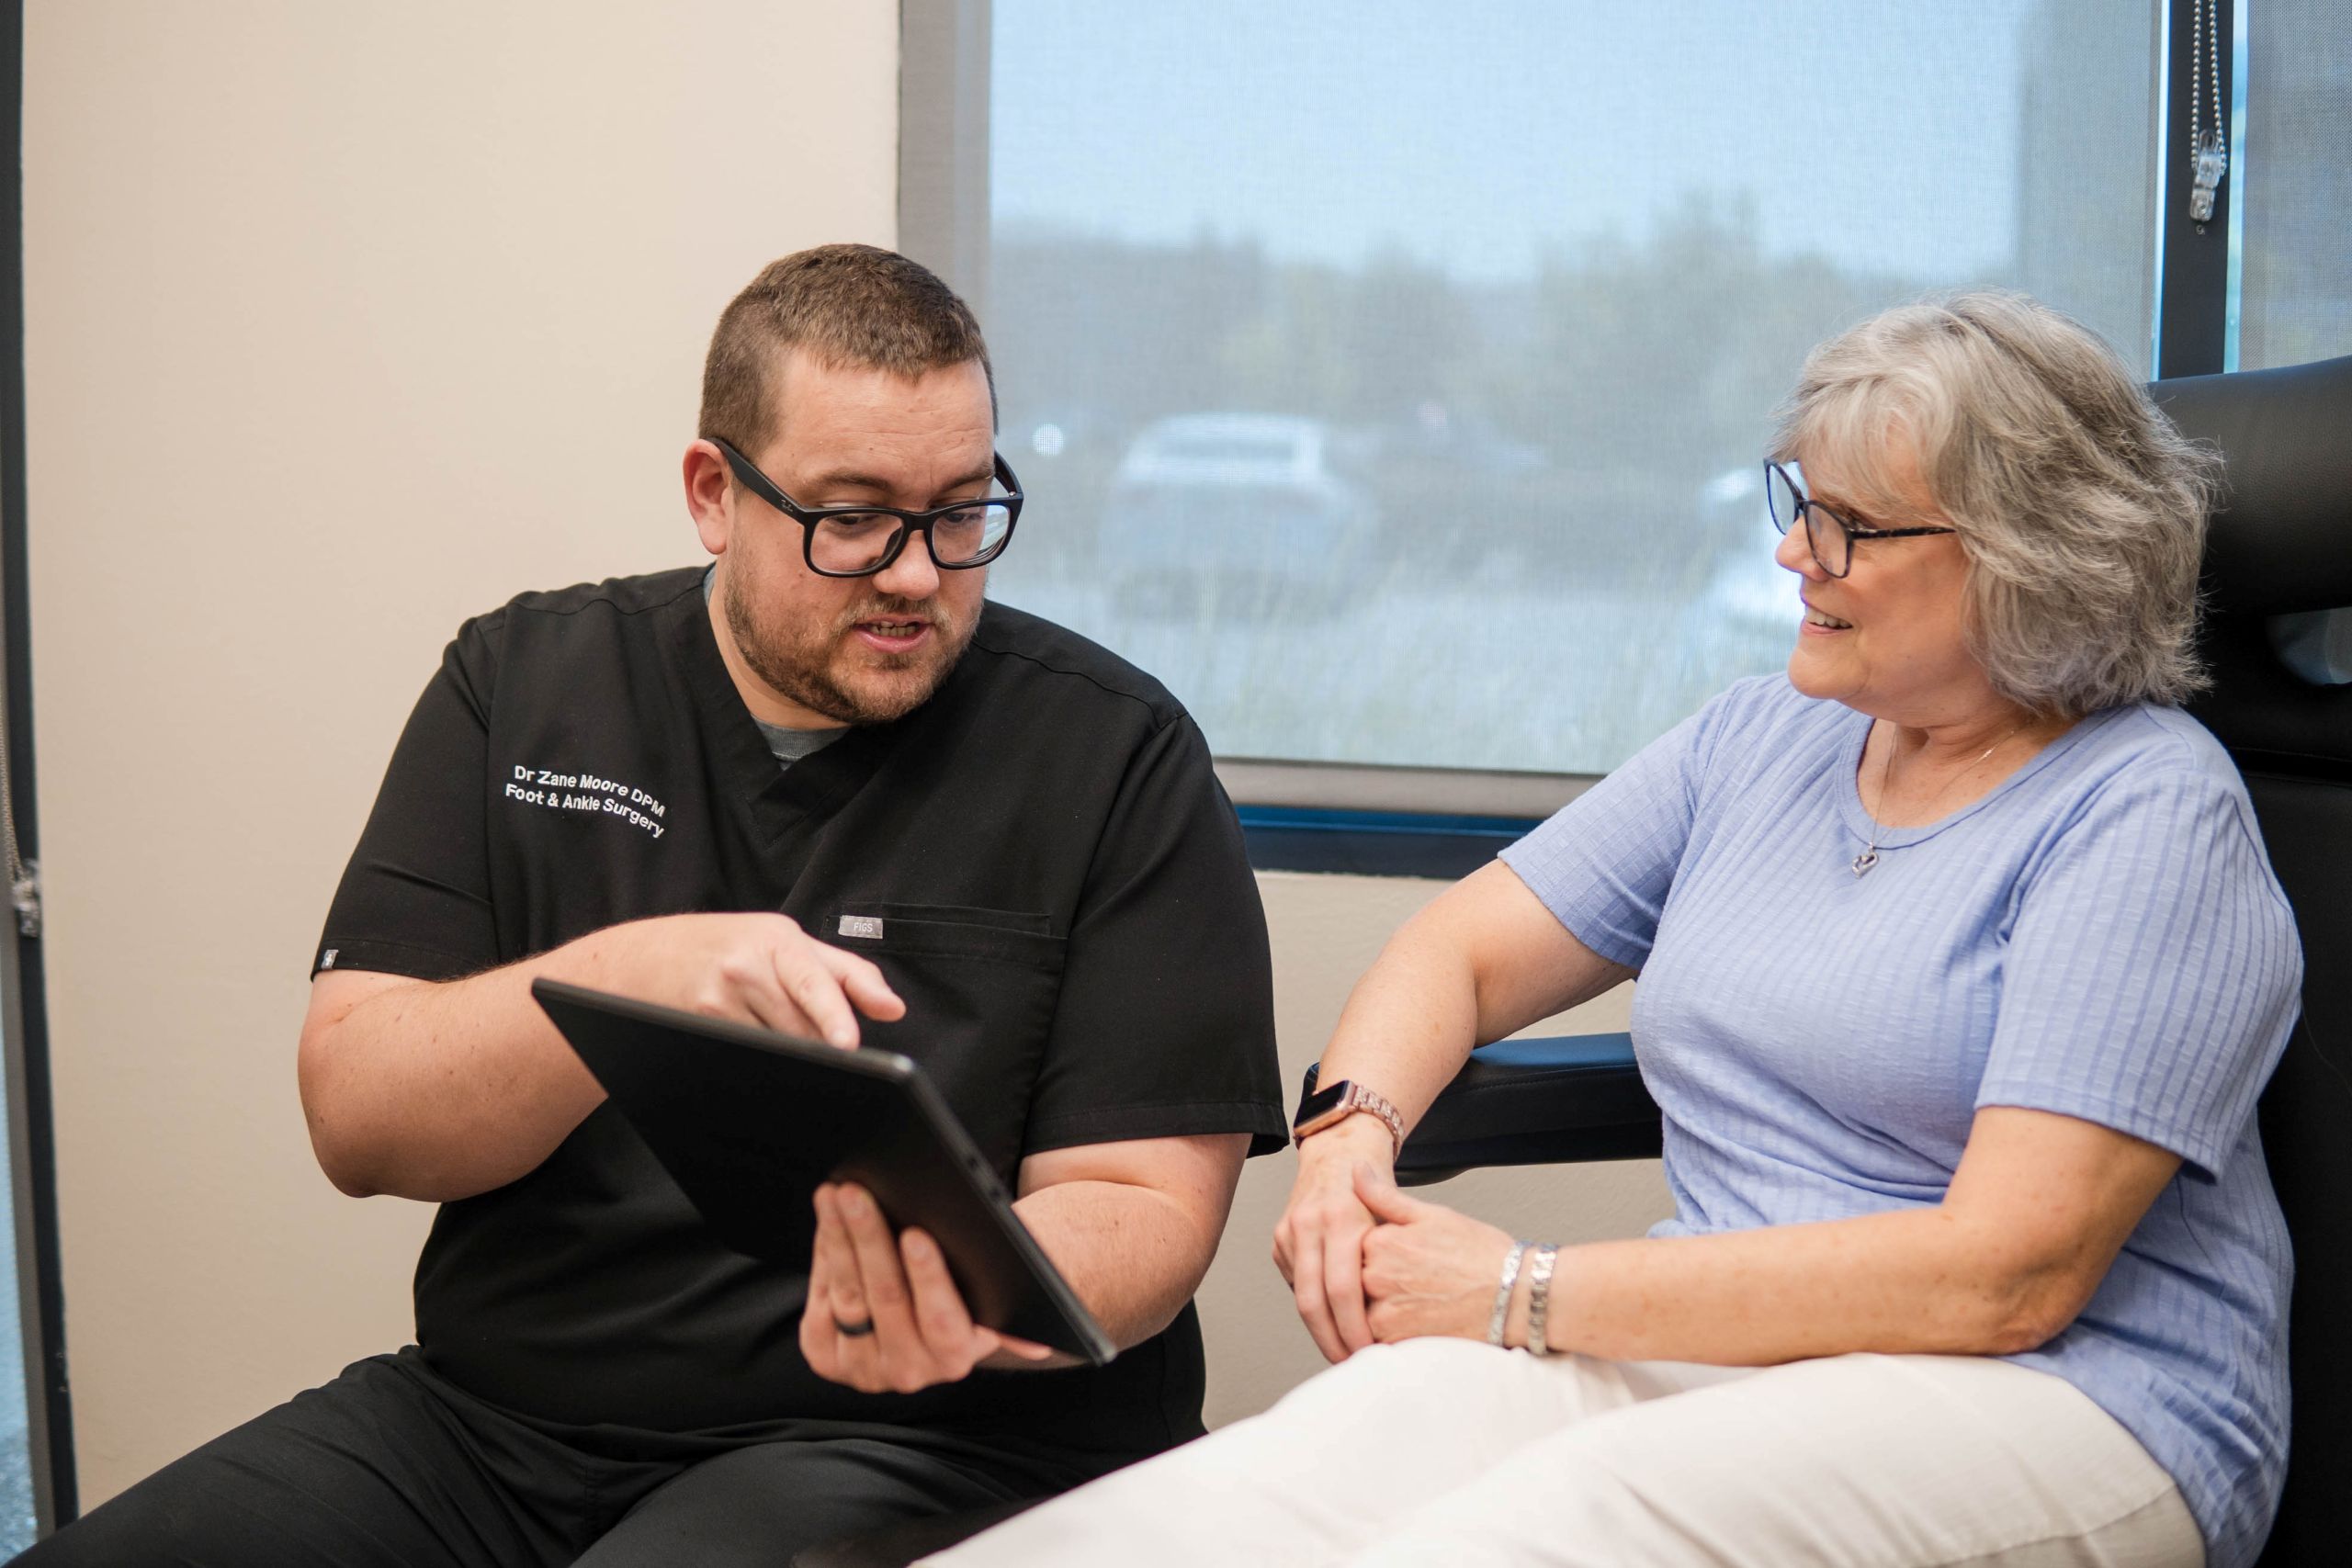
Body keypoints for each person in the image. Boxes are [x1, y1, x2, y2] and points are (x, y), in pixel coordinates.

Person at [926, 292, 2301, 1568]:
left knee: (1510, 1539)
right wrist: (1350, 1140)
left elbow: (2006, 1275)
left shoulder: (2147, 813)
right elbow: (1457, 951)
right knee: (1239, 1501)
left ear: (2027, 560)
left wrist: (1522, 1292)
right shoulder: (1768, 737)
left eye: (1851, 527)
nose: (1791, 551)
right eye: (1798, 502)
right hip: (1713, 1343)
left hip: (2069, 1400)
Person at [21, 245, 1284, 1567]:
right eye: (852, 516)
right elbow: (360, 1114)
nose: (917, 573)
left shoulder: (1113, 754)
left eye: (961, 511)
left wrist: (969, 1293)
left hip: (939, 1440)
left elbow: (1141, 1204)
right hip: (495, 1426)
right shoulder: (523, 681)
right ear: (711, 494)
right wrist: (629, 978)